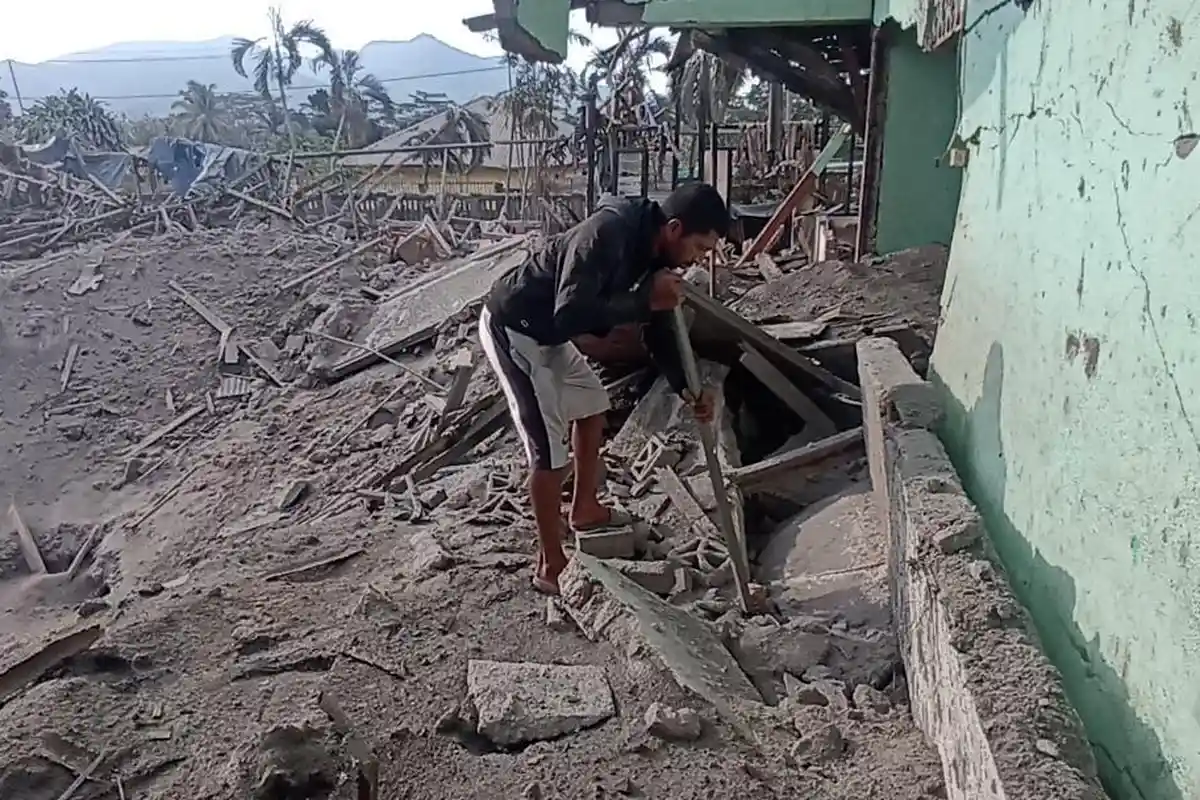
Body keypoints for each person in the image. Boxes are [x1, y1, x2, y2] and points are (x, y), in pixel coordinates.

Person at [478, 182, 731, 594]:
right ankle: (550, 562)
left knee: (594, 407)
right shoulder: (606, 232)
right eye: (699, 247)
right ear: (674, 228)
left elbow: (660, 331)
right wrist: (645, 300)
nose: (697, 259)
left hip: (549, 333)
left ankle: (584, 509)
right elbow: (571, 314)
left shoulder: (655, 254)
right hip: (514, 327)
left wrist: (690, 390)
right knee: (549, 451)